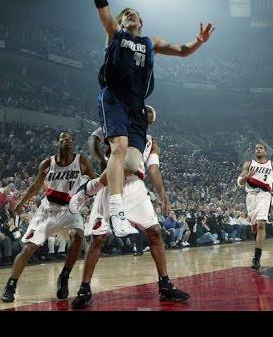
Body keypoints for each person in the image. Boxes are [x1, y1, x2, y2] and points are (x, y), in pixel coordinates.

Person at [91, 0, 214, 238]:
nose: (133, 14)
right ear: (121, 22)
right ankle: (118, 214)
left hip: (137, 105)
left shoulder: (150, 42)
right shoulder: (114, 34)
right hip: (114, 97)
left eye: (136, 13)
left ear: (141, 23)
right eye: (127, 14)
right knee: (118, 148)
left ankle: (91, 187)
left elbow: (183, 51)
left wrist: (198, 42)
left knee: (132, 164)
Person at [69, 106, 189, 308]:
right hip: (112, 183)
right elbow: (93, 139)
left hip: (136, 185)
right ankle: (84, 289)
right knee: (98, 238)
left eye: (150, 114)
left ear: (151, 121)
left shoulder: (151, 142)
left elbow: (153, 169)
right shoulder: (119, 125)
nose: (146, 114)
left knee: (154, 232)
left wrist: (162, 193)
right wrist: (101, 159)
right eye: (144, 111)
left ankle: (165, 284)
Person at [0, 131, 94, 303]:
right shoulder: (47, 163)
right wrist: (20, 204)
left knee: (79, 236)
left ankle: (64, 276)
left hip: (69, 210)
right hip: (47, 211)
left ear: (72, 144)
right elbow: (35, 188)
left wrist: (89, 197)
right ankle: (10, 285)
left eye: (69, 139)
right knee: (29, 248)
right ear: (56, 143)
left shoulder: (81, 161)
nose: (66, 140)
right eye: (63, 138)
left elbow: (94, 182)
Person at [237, 143, 273, 270]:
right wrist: (247, 176)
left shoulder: (272, 164)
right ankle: (258, 245)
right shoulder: (248, 164)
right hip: (251, 197)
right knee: (254, 228)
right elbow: (239, 183)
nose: (258, 149)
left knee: (261, 224)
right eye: (256, 148)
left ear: (265, 151)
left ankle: (256, 258)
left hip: (265, 195)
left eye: (261, 148)